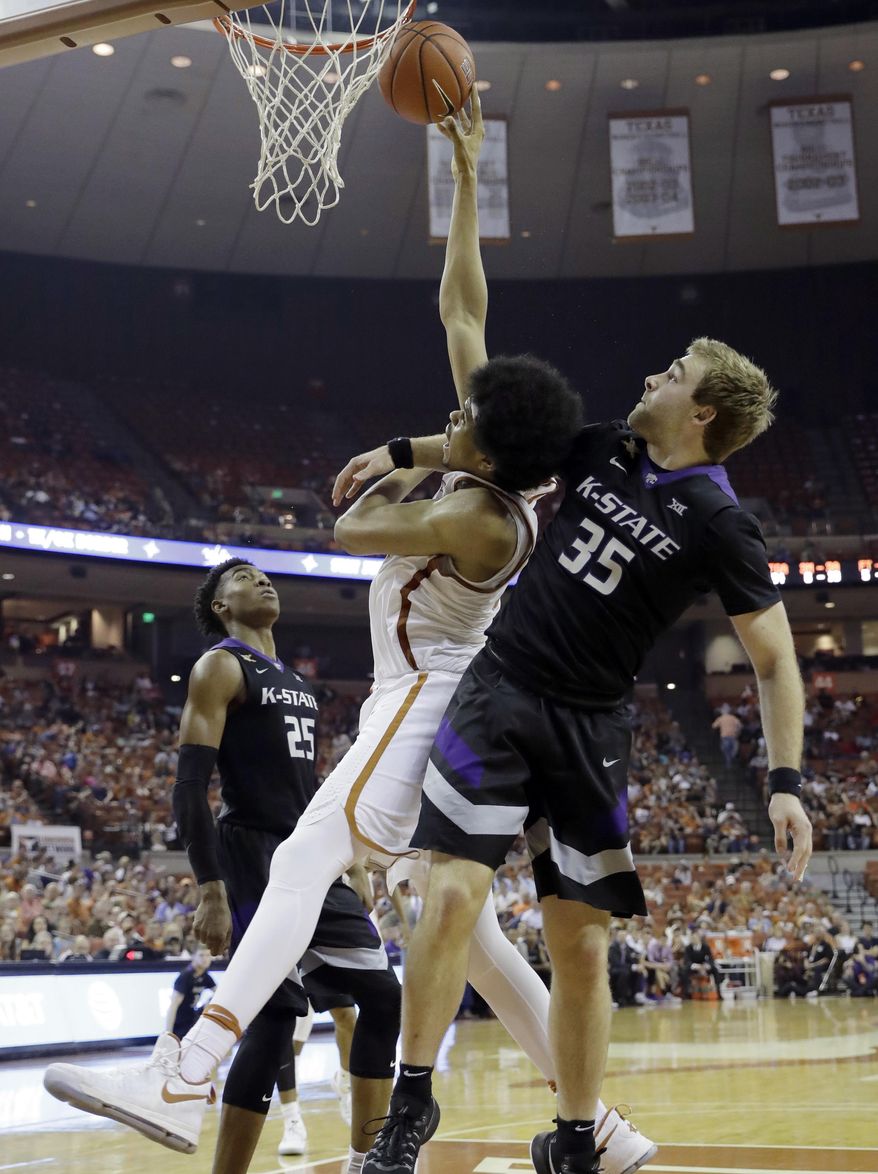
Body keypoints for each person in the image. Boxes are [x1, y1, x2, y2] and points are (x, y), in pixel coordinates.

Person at [41, 88, 656, 1174]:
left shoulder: (474, 512)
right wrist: (466, 179)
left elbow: (354, 522)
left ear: (487, 451)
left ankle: (186, 1069)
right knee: (475, 936)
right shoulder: (490, 466)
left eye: (461, 422)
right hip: (440, 702)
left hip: (425, 699)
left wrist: (396, 456)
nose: (449, 415)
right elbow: (463, 312)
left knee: (308, 851)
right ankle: (594, 1123)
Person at [353, 96, 813, 1174]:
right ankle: (408, 1113)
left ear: (700, 415)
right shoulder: (599, 446)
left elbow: (775, 658)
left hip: (593, 723)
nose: (652, 377)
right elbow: (472, 364)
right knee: (452, 891)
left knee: (580, 942)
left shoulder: (719, 522)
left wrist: (784, 776)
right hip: (501, 688)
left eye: (672, 377)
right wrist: (397, 445)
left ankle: (572, 1137)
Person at [45, 558, 402, 1174]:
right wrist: (209, 885)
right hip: (252, 853)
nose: (262, 580)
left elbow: (309, 786)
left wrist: (354, 857)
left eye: (266, 574)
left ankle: (363, 1160)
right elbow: (190, 786)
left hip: (312, 852)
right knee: (273, 1017)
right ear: (220, 606)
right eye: (242, 577)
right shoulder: (221, 664)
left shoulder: (296, 680)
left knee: (382, 996)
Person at [166, 946, 216, 1038]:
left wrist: (207, 1005)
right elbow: (173, 1006)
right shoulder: (185, 977)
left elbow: (219, 995)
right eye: (201, 955)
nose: (205, 959)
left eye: (208, 955)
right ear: (193, 956)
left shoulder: (206, 976)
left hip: (193, 1019)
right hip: (180, 1023)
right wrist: (168, 1032)